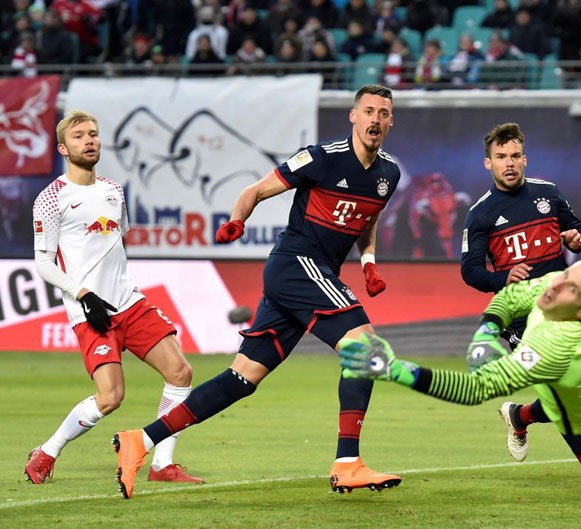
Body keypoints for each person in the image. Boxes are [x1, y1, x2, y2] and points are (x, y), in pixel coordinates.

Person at [112, 85, 403, 500]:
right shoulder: (321, 158)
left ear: (391, 122)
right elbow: (255, 191)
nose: (376, 119)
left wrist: (369, 263)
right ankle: (348, 463)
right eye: (369, 111)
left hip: (305, 278)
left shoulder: (388, 174)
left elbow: (366, 221)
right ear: (353, 116)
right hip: (295, 264)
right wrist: (237, 220)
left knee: (242, 377)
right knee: (364, 349)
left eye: (384, 113)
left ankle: (139, 440)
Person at [338, 257, 581, 498]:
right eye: (565, 276)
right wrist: (488, 328)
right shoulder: (561, 289)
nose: (555, 284)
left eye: (570, 287)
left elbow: (474, 388)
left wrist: (394, 369)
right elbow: (512, 296)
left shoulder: (553, 351)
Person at [25, 111, 201, 487]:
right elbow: (43, 262)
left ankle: (162, 464)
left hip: (129, 302)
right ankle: (47, 451)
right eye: (78, 136)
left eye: (93, 134)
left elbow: (117, 238)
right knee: (110, 397)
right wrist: (84, 294)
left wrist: (117, 287)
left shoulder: (113, 189)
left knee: (180, 372)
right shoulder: (51, 199)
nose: (88, 140)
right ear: (63, 148)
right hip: (89, 310)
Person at [461, 122, 581, 491]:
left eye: (514, 156)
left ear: (525, 159)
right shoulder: (480, 214)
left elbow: (576, 230)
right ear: (488, 164)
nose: (508, 163)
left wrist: (576, 239)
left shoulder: (548, 193)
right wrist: (503, 279)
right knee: (563, 391)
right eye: (500, 157)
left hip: (568, 310)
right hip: (523, 319)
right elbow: (470, 272)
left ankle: (520, 415)